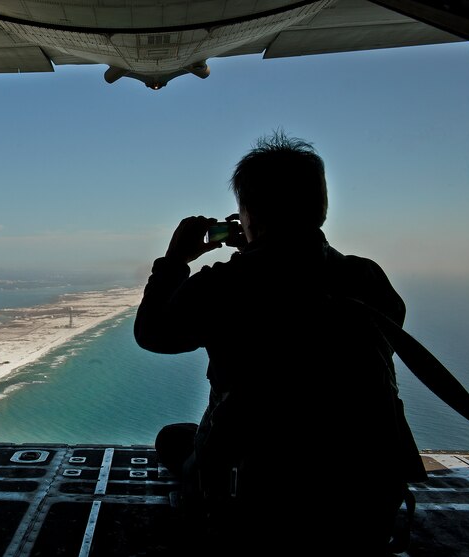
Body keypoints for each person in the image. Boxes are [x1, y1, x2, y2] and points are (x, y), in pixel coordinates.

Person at [134, 132, 425, 555]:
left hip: (261, 502)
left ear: (249, 213)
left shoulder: (226, 285)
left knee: (174, 440)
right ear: (321, 209)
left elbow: (152, 335)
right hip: (365, 497)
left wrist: (174, 260)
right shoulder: (365, 278)